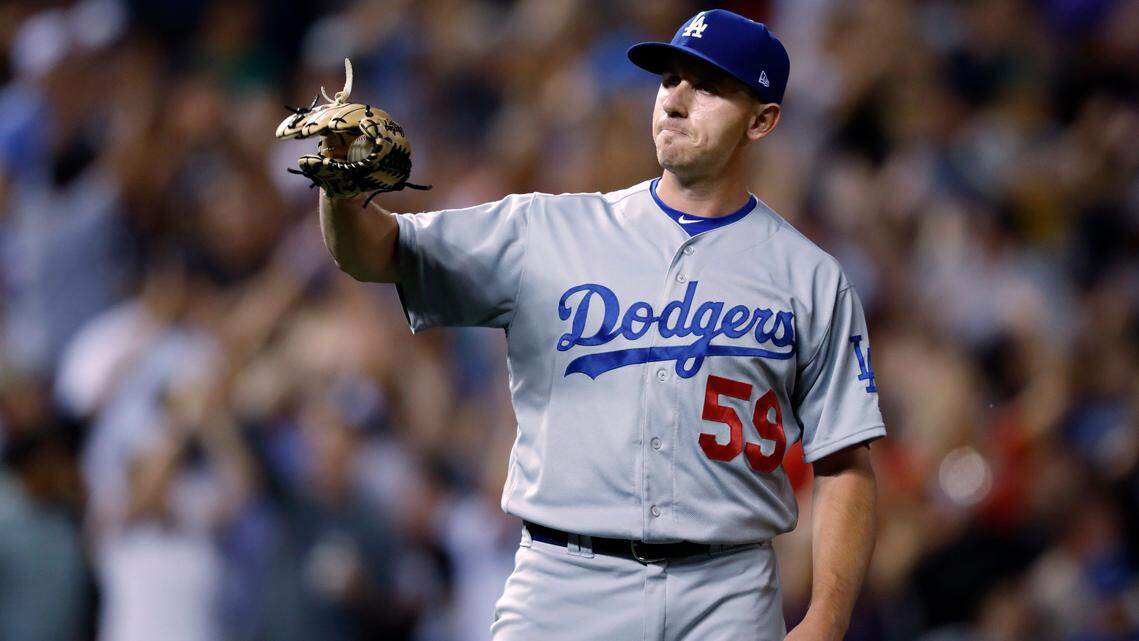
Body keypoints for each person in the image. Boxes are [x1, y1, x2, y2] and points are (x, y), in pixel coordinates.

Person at [317, 9, 884, 641]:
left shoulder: (808, 277)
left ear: (762, 119)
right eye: (669, 79)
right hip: (565, 582)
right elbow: (376, 252)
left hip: (726, 591)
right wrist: (341, 188)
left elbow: (844, 463)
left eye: (708, 85)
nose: (676, 100)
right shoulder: (548, 230)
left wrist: (828, 619)